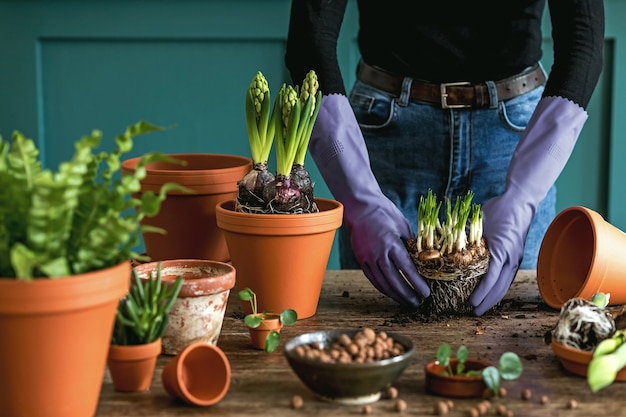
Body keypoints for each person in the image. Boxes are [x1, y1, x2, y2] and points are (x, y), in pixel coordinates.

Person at [284, 0, 604, 315]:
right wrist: (359, 198)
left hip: (514, 140)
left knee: (514, 338)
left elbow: (583, 39)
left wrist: (523, 195)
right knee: (377, 339)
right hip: (387, 139)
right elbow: (310, 33)